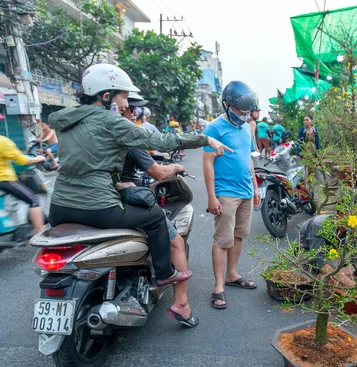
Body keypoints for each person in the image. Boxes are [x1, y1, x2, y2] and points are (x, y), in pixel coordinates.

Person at [48, 63, 231, 288]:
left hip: (58, 208)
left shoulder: (66, 120)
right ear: (106, 96)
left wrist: (116, 184)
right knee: (154, 217)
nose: (126, 104)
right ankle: (164, 273)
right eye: (123, 97)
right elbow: (160, 141)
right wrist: (204, 139)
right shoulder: (111, 121)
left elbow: (87, 160)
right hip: (97, 208)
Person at [119, 101, 197, 327]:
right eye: (131, 106)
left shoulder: (93, 134)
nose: (136, 112)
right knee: (177, 244)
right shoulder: (128, 136)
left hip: (94, 199)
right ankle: (181, 304)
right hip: (127, 198)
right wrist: (176, 168)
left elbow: (151, 153)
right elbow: (159, 172)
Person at [203, 81, 261, 309]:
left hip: (246, 190)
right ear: (227, 104)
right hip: (225, 192)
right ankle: (218, 286)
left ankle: (232, 274)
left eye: (247, 112)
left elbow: (248, 158)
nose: (244, 115)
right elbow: (207, 163)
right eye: (240, 111)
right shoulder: (214, 128)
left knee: (238, 235)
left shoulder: (246, 127)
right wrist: (211, 196)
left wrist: (256, 187)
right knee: (222, 239)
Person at [0, 136, 46, 233]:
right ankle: (41, 235)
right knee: (33, 200)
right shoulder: (3, 141)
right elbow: (22, 160)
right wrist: (38, 158)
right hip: (4, 180)